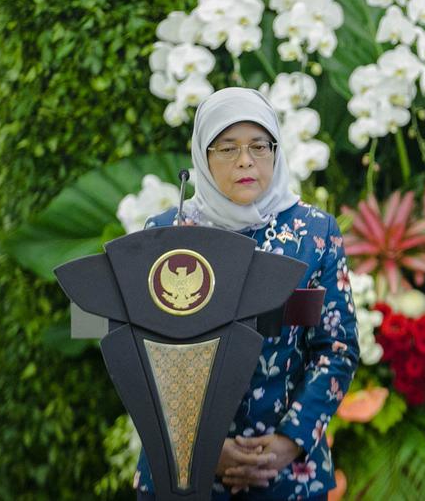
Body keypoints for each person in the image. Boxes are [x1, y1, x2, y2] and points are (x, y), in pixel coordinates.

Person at [134, 87, 358, 501]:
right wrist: (202, 448)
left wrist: (289, 441)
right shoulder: (167, 234)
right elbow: (143, 354)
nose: (245, 161)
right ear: (203, 154)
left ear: (276, 151)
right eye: (227, 148)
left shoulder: (315, 233)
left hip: (287, 472)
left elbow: (337, 347)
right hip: (181, 472)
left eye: (259, 146)